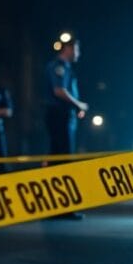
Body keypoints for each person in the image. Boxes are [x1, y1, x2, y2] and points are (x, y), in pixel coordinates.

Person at [45, 38, 89, 218]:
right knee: (62, 161)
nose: (78, 54)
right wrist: (79, 104)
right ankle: (62, 207)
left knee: (59, 160)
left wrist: (76, 108)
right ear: (68, 49)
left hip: (64, 116)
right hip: (59, 117)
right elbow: (59, 91)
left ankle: (57, 206)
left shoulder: (67, 68)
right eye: (76, 50)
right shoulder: (59, 66)